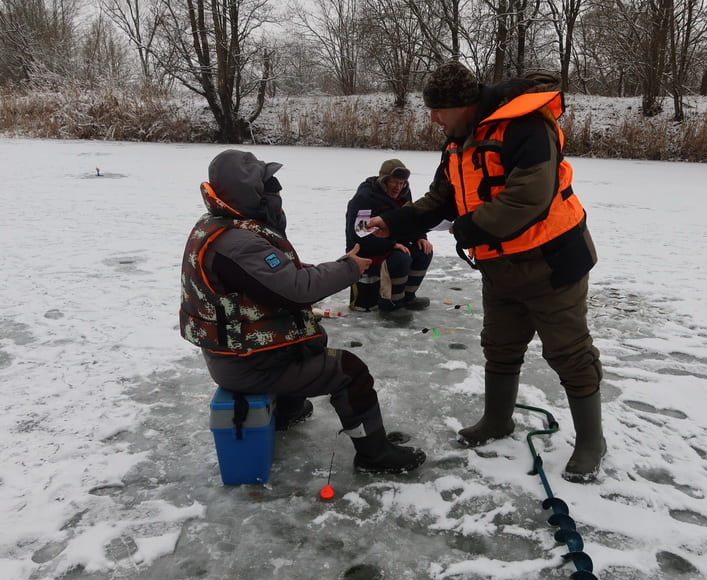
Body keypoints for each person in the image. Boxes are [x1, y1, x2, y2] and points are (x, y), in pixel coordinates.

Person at [367, 62, 605, 482]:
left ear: (465, 104)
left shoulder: (526, 127)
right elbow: (440, 199)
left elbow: (527, 198)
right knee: (499, 344)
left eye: (439, 110)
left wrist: (466, 228)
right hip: (501, 266)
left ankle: (591, 441)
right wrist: (396, 222)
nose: (433, 119)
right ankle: (498, 421)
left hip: (552, 263)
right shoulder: (458, 142)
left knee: (570, 354)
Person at [179, 149, 426, 474]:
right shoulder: (237, 242)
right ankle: (374, 455)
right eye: (268, 187)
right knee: (349, 371)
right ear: (248, 192)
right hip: (248, 364)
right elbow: (296, 289)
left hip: (239, 355)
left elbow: (277, 279)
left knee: (310, 342)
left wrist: (340, 266)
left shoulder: (223, 226)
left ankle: (287, 410)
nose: (275, 195)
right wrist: (350, 268)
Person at [345, 159, 433, 314]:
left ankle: (408, 297)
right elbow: (359, 236)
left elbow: (411, 218)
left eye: (402, 183)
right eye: (394, 182)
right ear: (384, 180)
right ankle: (393, 304)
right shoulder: (364, 198)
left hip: (395, 244)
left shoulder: (404, 193)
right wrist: (391, 245)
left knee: (424, 251)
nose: (398, 187)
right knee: (401, 258)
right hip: (368, 250)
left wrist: (421, 236)